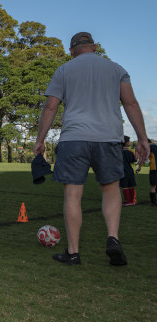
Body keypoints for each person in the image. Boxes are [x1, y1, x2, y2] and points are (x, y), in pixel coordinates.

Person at [34, 32, 150, 266]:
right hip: (109, 138)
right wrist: (143, 138)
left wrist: (41, 139)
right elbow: (131, 104)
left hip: (74, 138)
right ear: (94, 47)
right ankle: (113, 239)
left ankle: (73, 253)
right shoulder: (117, 69)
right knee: (110, 190)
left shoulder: (64, 70)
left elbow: (50, 107)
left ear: (72, 50)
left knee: (73, 194)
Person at [136, 139, 157, 206]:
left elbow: (142, 158)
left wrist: (139, 167)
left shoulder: (148, 148)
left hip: (154, 168)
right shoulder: (155, 146)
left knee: (153, 186)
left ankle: (153, 203)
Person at [120, 136, 137, 206]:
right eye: (128, 141)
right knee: (131, 186)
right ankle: (132, 201)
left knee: (125, 186)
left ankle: (128, 201)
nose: (129, 142)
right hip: (130, 171)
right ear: (126, 143)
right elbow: (134, 160)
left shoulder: (119, 152)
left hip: (123, 171)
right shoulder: (131, 152)